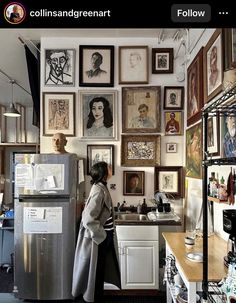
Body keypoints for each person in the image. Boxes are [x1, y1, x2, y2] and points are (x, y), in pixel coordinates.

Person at [72, 161, 121, 303]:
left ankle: (95, 297)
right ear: (104, 172)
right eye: (109, 167)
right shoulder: (99, 190)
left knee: (99, 271)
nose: (111, 169)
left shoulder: (101, 187)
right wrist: (102, 235)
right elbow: (87, 218)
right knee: (96, 272)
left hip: (103, 237)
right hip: (99, 238)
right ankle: (93, 298)